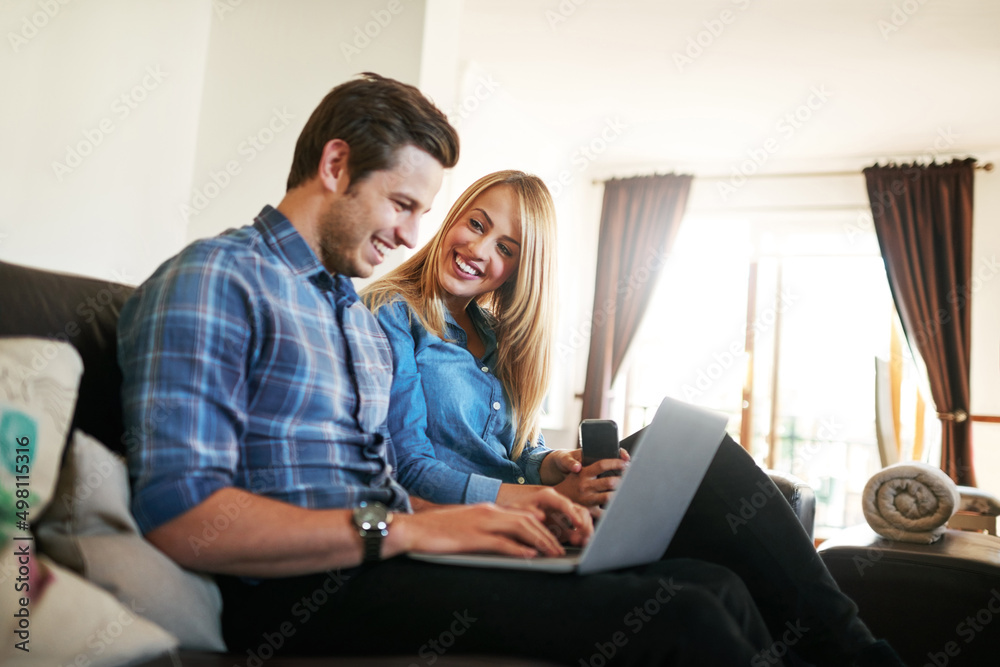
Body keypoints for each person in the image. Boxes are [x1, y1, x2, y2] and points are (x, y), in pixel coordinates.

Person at [118, 73, 782, 666]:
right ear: (335, 163)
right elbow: (182, 513)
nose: (414, 235)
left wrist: (475, 521)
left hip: (384, 558)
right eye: (403, 204)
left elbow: (383, 490)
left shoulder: (347, 311)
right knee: (684, 618)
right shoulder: (218, 278)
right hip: (300, 591)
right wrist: (410, 527)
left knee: (711, 584)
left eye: (422, 213)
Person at [362, 170, 907, 667]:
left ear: (519, 272)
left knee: (722, 579)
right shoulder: (394, 310)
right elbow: (410, 467)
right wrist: (548, 498)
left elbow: (517, 455)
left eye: (506, 247)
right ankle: (863, 656)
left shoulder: (500, 339)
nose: (478, 250)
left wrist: (555, 466)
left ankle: (851, 653)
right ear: (452, 218)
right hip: (479, 528)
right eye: (475, 224)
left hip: (537, 514)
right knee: (712, 471)